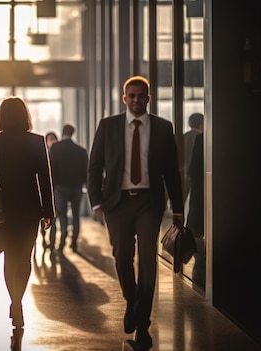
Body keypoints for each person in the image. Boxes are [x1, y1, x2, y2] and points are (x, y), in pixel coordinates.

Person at [87, 76, 184, 348]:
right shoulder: (108, 126)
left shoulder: (164, 129)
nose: (136, 100)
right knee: (122, 259)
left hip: (148, 203)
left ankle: (143, 324)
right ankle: (132, 301)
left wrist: (178, 208)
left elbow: (171, 173)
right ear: (124, 98)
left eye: (141, 96)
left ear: (149, 98)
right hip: (117, 204)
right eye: (132, 96)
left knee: (148, 261)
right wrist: (96, 202)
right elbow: (94, 167)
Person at [0, 96, 54, 328]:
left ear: (1, 115)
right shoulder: (36, 141)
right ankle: (17, 301)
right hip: (29, 207)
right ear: (25, 116)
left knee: (8, 258)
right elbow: (45, 178)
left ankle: (14, 301)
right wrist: (48, 211)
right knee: (24, 257)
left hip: (1, 208)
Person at [49, 123, 88, 252]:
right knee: (76, 215)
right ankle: (74, 243)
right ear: (72, 133)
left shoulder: (55, 148)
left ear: (62, 132)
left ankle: (63, 239)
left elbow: (51, 168)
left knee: (62, 215)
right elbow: (86, 171)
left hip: (60, 188)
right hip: (77, 188)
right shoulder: (81, 150)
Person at [187, 133, 205, 289]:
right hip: (201, 198)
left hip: (200, 197)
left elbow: (192, 170)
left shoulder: (201, 138)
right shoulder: (202, 139)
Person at [39, 131, 58, 250]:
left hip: (56, 191)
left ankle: (52, 242)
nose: (52, 141)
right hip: (45, 192)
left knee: (53, 218)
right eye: (50, 139)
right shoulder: (42, 155)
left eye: (53, 139)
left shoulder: (57, 155)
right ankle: (44, 238)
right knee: (43, 219)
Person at [182, 113, 204, 201]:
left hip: (182, 171)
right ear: (202, 123)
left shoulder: (183, 137)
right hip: (196, 174)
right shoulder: (201, 139)